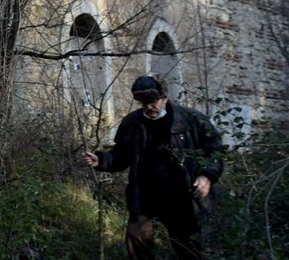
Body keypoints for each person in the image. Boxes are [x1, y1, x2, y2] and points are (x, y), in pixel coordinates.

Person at [82, 75, 224, 260]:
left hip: (182, 197)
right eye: (143, 103)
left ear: (164, 97)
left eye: (152, 101)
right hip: (145, 197)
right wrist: (101, 160)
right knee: (138, 245)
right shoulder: (132, 123)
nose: (148, 107)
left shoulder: (190, 119)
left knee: (188, 249)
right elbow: (121, 155)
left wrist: (207, 176)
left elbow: (215, 151)